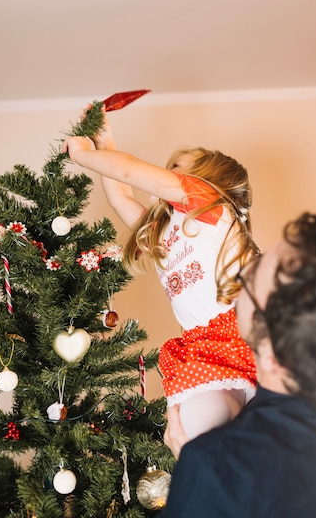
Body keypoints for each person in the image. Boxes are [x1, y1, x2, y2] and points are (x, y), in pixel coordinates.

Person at [126, 212, 316, 518]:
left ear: (273, 356)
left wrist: (192, 474)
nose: (238, 285)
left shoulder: (217, 466)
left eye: (248, 285)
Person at [63, 108, 259, 440]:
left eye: (176, 168)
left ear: (205, 178)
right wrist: (104, 143)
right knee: (199, 421)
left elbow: (131, 172)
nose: (165, 174)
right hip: (202, 351)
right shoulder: (163, 233)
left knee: (223, 419)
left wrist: (83, 156)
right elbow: (120, 194)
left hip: (244, 334)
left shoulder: (211, 209)